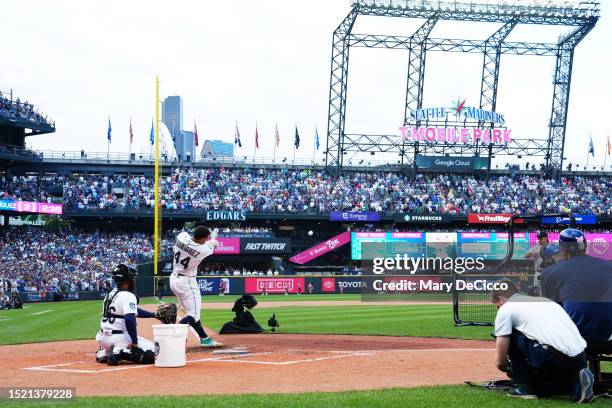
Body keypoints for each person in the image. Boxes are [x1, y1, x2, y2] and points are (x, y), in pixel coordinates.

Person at [491, 279, 594, 402]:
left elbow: (501, 350)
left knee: (510, 333)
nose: (498, 308)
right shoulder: (546, 301)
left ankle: (524, 387)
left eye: (497, 304)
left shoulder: (506, 308)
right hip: (580, 358)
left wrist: (504, 366)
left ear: (501, 298)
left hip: (552, 357)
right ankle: (576, 381)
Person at [540, 228, 612, 342]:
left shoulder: (552, 272)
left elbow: (550, 310)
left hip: (573, 337)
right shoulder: (608, 266)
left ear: (562, 249)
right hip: (606, 333)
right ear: (584, 246)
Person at [170, 226, 223, 348]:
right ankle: (172, 334)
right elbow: (209, 247)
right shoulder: (203, 250)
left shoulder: (181, 236)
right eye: (205, 238)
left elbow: (199, 243)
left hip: (174, 278)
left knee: (191, 313)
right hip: (187, 282)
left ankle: (204, 338)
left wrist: (210, 242)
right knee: (193, 315)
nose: (206, 240)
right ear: (202, 238)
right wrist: (213, 243)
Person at [95, 264, 158, 366]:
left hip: (102, 338)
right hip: (119, 338)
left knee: (112, 341)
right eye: (132, 278)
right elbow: (130, 320)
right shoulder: (128, 295)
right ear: (128, 280)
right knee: (155, 353)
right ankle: (119, 353)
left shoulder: (110, 294)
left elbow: (132, 310)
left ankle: (103, 352)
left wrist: (154, 314)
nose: (133, 280)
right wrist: (134, 343)